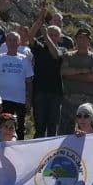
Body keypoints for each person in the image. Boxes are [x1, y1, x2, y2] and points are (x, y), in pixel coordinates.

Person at [0, 32, 34, 140]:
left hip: (19, 100)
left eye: (15, 40)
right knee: (1, 127)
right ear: (6, 42)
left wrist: (29, 99)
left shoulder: (25, 59)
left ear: (19, 43)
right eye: (10, 40)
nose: (12, 43)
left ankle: (18, 153)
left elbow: (29, 82)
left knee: (18, 128)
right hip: (1, 100)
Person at [29, 10, 63, 138]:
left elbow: (55, 55)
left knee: (52, 126)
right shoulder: (39, 47)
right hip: (40, 91)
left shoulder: (62, 50)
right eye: (50, 34)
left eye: (55, 35)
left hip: (55, 93)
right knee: (39, 126)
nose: (52, 37)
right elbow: (30, 36)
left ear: (59, 37)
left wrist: (46, 36)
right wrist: (39, 20)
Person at [60, 28, 93, 134]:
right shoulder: (68, 55)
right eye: (79, 37)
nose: (82, 40)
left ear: (89, 40)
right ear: (76, 39)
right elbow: (64, 71)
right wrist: (84, 70)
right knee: (66, 130)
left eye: (85, 38)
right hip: (69, 99)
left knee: (87, 131)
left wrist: (73, 75)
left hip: (88, 99)